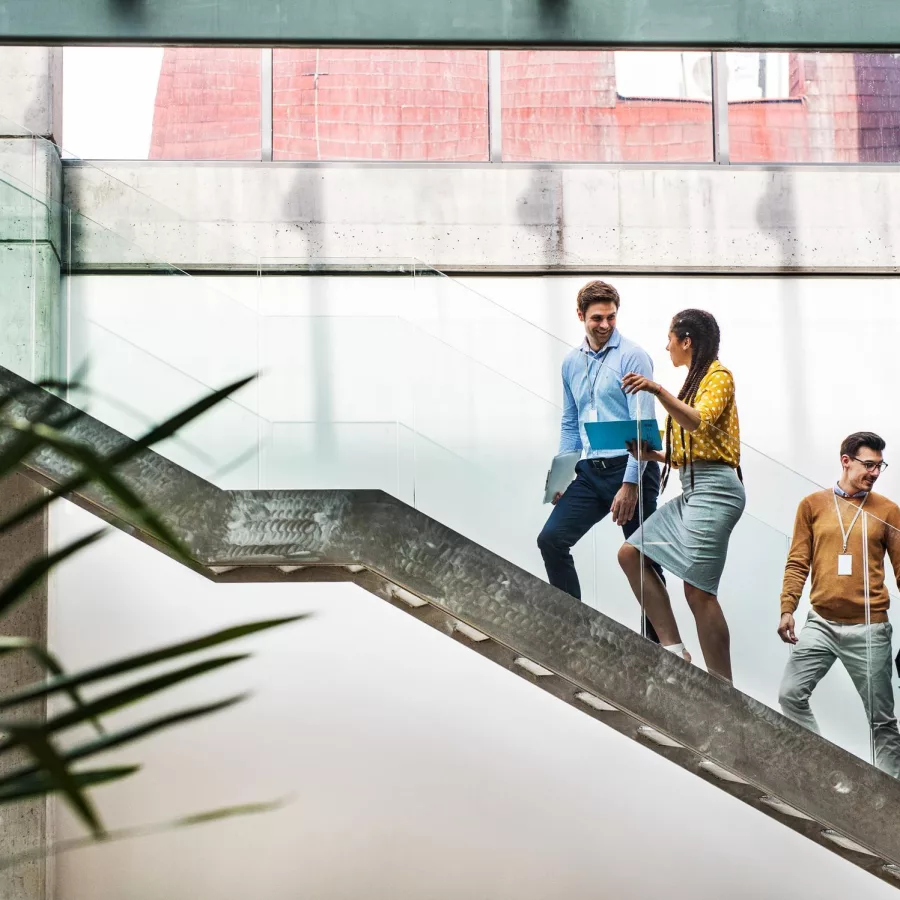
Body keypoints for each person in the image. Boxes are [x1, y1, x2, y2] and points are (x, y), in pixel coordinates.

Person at [617, 309, 745, 682]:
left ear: (686, 341)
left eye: (670, 338)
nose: (667, 345)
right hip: (692, 487)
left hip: (716, 489)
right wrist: (653, 455)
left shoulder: (718, 376)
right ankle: (673, 650)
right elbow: (694, 445)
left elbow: (698, 421)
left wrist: (657, 389)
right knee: (631, 554)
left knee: (698, 591)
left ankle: (723, 687)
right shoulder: (695, 379)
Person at [537, 280, 663, 642]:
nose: (605, 325)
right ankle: (572, 631)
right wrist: (561, 477)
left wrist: (630, 483)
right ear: (580, 317)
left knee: (645, 560)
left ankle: (658, 647)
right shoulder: (570, 363)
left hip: (632, 468)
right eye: (596, 318)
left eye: (610, 317)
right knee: (551, 540)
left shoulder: (633, 356)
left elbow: (643, 425)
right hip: (590, 473)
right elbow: (570, 420)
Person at [777, 432, 900, 778]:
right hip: (822, 624)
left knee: (882, 721)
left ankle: (892, 800)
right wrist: (788, 607)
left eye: (880, 466)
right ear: (846, 461)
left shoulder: (888, 511)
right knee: (790, 695)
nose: (875, 472)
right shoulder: (812, 505)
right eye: (869, 464)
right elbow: (798, 561)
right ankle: (823, 768)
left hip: (870, 628)